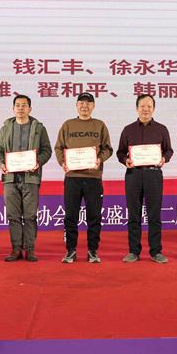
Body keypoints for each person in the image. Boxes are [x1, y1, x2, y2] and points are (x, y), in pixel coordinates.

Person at [54, 92, 113, 264]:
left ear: (93, 106)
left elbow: (108, 149)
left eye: (88, 103)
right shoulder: (68, 125)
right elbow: (58, 148)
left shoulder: (99, 125)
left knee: (94, 216)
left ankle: (92, 251)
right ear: (76, 105)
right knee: (70, 216)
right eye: (81, 103)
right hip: (72, 177)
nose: (84, 106)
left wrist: (99, 159)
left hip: (93, 178)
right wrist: (62, 162)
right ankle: (70, 250)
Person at [0, 95, 52, 262]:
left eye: (24, 105)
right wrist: (1, 164)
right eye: (17, 105)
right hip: (10, 178)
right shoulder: (5, 128)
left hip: (30, 178)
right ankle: (16, 249)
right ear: (13, 109)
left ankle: (30, 249)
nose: (20, 108)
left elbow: (46, 150)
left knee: (30, 216)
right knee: (13, 216)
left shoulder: (38, 128)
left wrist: (38, 162)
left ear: (29, 109)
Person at [116, 94, 174, 264]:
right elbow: (120, 152)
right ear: (137, 108)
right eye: (142, 106)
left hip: (153, 174)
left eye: (149, 106)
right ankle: (133, 251)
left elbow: (169, 150)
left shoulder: (161, 129)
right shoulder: (128, 129)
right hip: (133, 175)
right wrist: (125, 160)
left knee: (154, 215)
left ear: (153, 109)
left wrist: (164, 158)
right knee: (133, 214)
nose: (145, 109)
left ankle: (156, 251)